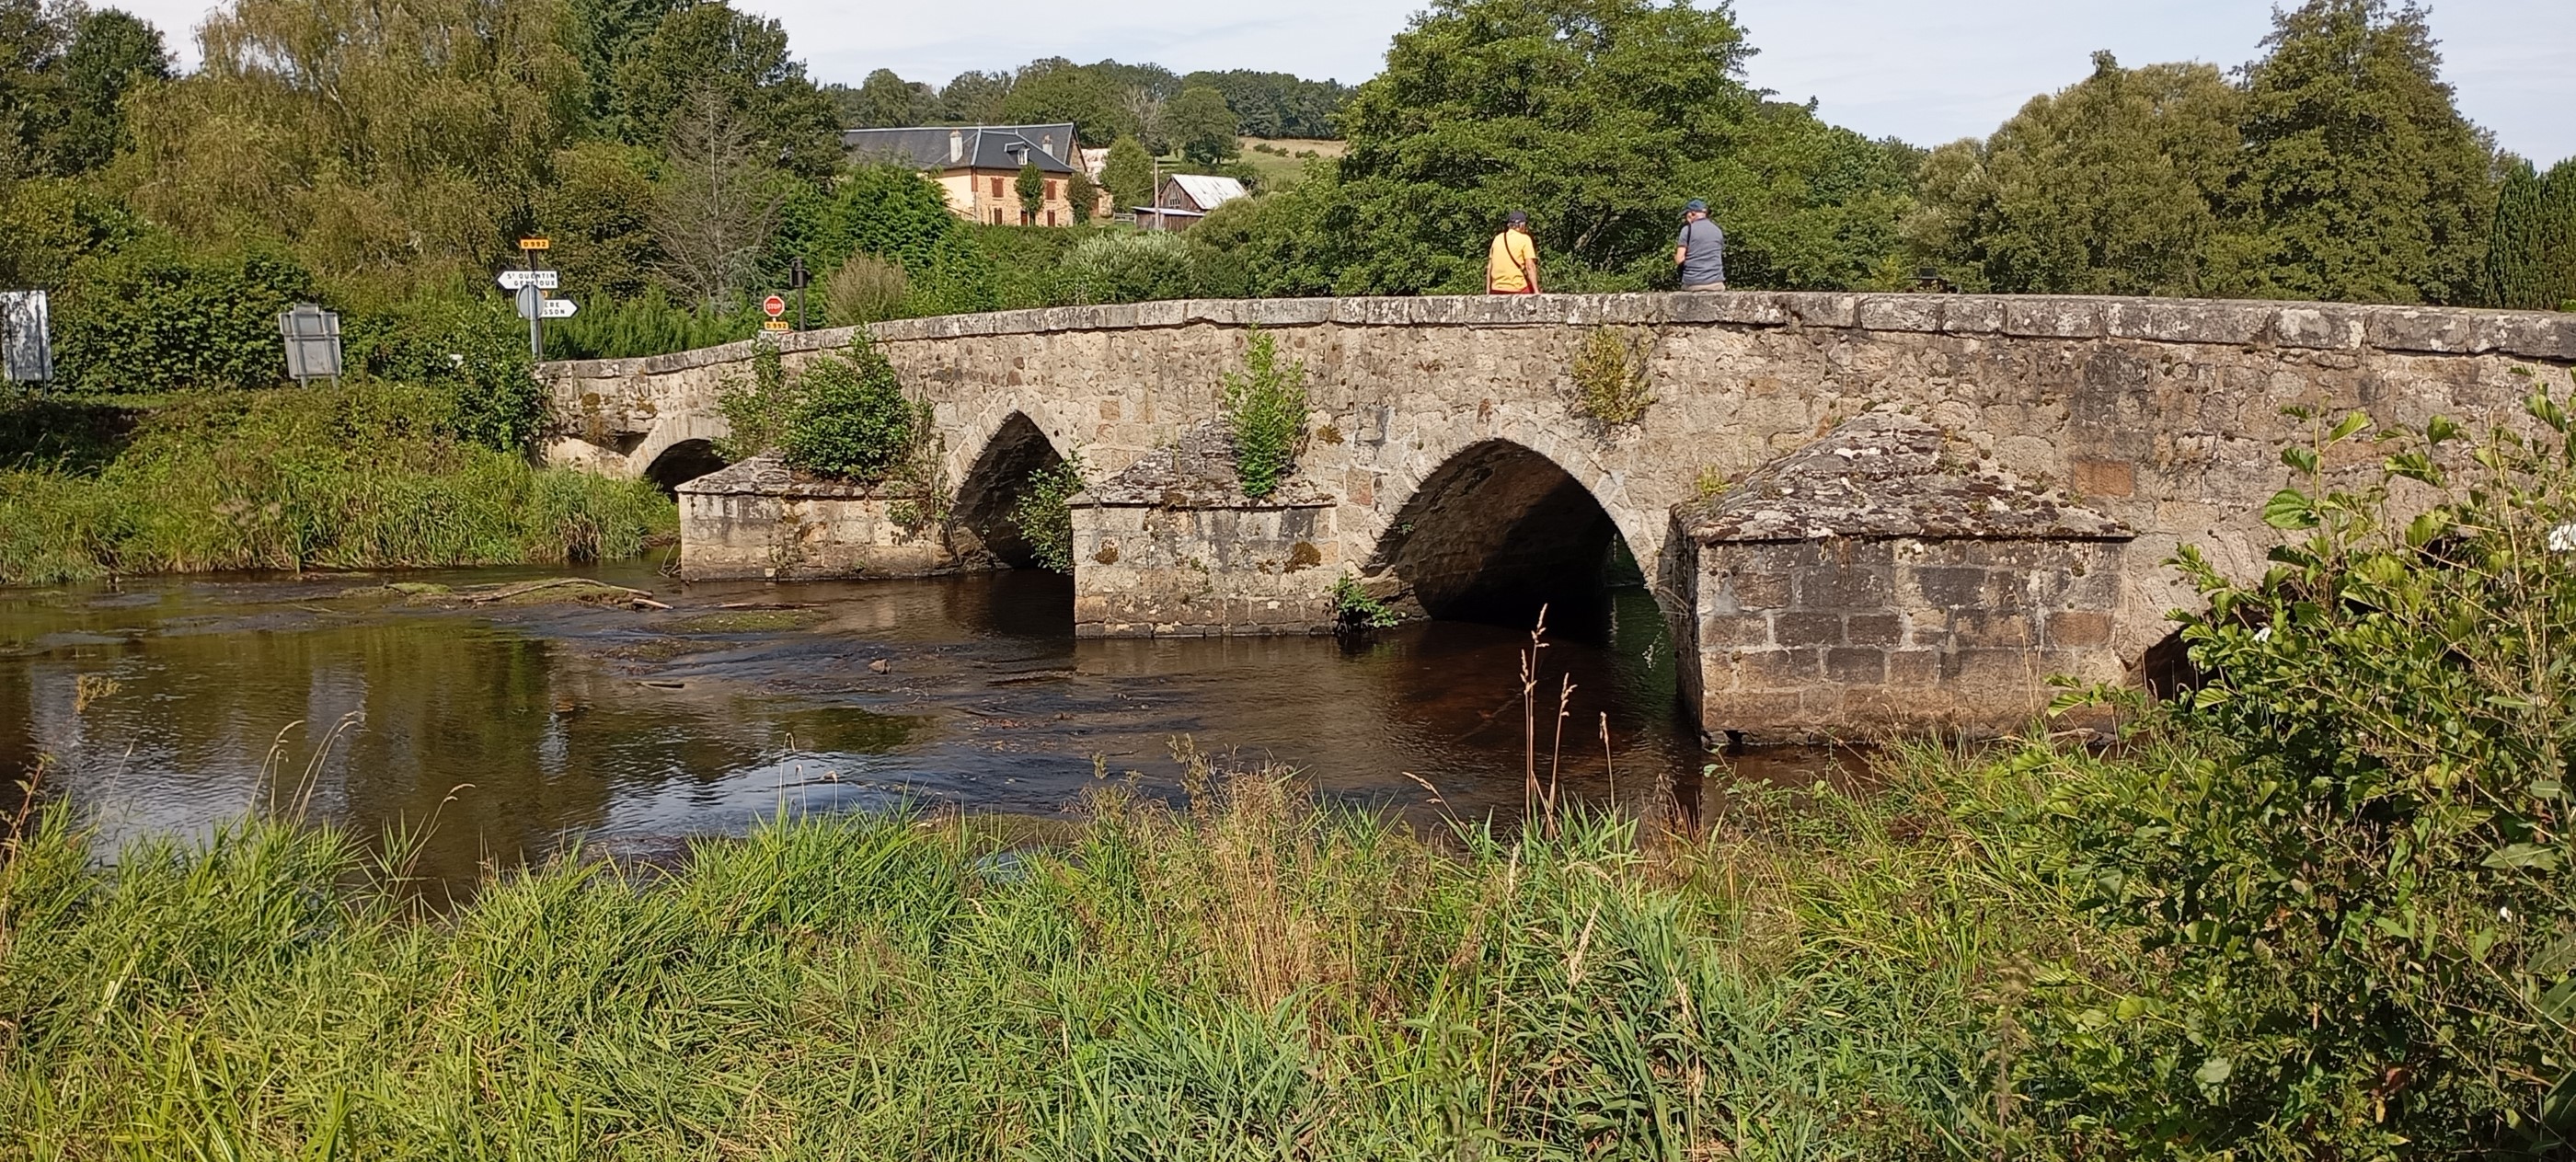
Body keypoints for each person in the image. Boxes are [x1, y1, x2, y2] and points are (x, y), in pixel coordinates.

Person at [1674, 199, 1726, 291]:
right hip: (1716, 283)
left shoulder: (1687, 230)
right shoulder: (1718, 230)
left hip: (1693, 283)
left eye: (1686, 215)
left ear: (1692, 214)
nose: (1686, 218)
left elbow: (1679, 259)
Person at [1487, 211, 1540, 294]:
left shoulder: (1497, 238)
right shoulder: (1525, 239)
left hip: (1496, 288)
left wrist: (1488, 292)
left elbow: (1489, 267)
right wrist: (1536, 291)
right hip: (1517, 288)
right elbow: (1530, 266)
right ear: (1522, 225)